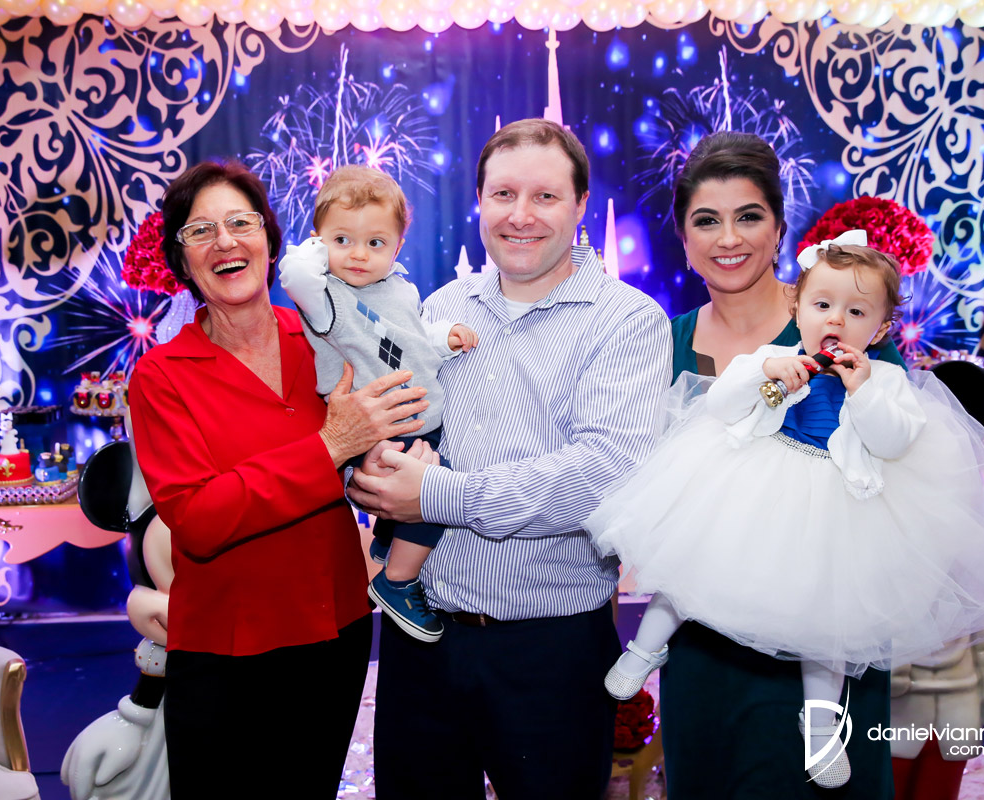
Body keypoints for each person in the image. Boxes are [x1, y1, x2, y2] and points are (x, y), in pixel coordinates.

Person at [586, 233, 984, 788]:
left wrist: (863, 390)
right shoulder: (769, 358)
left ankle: (822, 727)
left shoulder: (887, 379)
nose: (836, 320)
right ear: (796, 307)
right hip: (754, 487)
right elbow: (722, 406)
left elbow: (893, 440)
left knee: (829, 627)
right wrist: (764, 374)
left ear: (879, 330)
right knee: (695, 568)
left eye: (856, 312)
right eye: (823, 304)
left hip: (838, 508)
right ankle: (643, 650)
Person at [347, 118, 673, 800]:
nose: (520, 215)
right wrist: (369, 468)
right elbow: (396, 420)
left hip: (551, 652)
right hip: (422, 634)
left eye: (545, 196)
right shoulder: (441, 306)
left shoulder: (626, 320)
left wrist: (433, 494)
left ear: (581, 205)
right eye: (503, 194)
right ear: (479, 202)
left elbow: (602, 475)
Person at [127, 160, 429, 798]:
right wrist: (330, 446)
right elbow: (199, 521)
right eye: (200, 231)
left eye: (241, 223)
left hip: (336, 631)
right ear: (181, 259)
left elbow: (377, 449)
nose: (225, 241)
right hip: (225, 651)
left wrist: (396, 463)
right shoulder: (162, 376)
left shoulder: (326, 338)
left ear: (269, 238)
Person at [279, 165, 478, 643]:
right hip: (382, 426)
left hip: (420, 419)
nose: (358, 254)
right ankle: (398, 581)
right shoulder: (326, 297)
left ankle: (390, 544)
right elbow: (294, 274)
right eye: (342, 240)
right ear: (318, 242)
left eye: (375, 243)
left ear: (397, 248)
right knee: (435, 491)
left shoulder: (399, 287)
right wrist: (317, 251)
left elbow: (408, 337)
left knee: (424, 488)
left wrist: (443, 338)